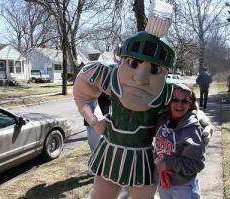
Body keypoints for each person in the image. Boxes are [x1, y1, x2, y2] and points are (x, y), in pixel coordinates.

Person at [73, 1, 176, 198]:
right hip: (110, 153)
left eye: (155, 69)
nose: (140, 78)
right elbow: (82, 92)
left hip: (143, 158)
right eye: (134, 63)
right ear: (123, 59)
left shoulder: (169, 90)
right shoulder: (109, 76)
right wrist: (94, 120)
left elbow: (189, 108)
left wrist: (200, 123)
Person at [154, 83, 206, 198]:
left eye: (184, 101)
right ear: (169, 101)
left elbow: (197, 163)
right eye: (175, 99)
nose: (179, 104)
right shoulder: (163, 119)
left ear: (190, 103)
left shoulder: (192, 128)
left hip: (183, 187)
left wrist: (168, 164)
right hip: (163, 183)